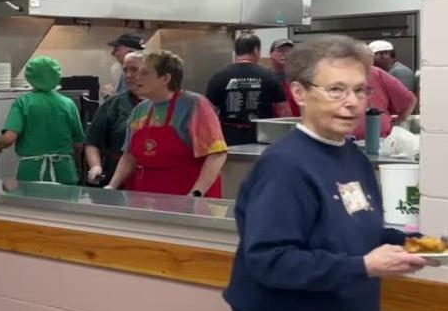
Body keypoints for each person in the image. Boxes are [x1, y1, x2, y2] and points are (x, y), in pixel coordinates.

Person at [225, 35, 429, 311]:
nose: (351, 102)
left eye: (359, 90)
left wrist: (407, 244)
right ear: (298, 92)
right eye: (335, 89)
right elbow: (270, 259)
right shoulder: (284, 166)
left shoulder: (350, 154)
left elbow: (358, 230)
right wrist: (363, 267)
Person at [107, 50, 227, 197]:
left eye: (145, 73)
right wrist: (112, 186)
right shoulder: (140, 110)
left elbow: (216, 154)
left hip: (189, 199)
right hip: (149, 198)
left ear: (165, 78)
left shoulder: (194, 105)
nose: (137, 77)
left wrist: (196, 194)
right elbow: (129, 156)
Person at [0, 56, 85, 185]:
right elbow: (78, 144)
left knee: (32, 204)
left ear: (30, 77)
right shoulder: (68, 104)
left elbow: (9, 137)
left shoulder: (24, 102)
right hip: (64, 171)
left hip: (33, 171)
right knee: (64, 204)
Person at [205, 34, 292, 145]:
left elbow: (207, 113)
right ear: (256, 50)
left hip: (228, 140)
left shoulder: (219, 77)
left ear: (236, 51)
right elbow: (284, 112)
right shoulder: (269, 76)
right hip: (263, 138)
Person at [84, 51, 143, 185]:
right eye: (125, 70)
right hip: (116, 177)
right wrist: (96, 167)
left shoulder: (166, 105)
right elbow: (92, 141)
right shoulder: (114, 104)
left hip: (154, 179)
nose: (128, 75)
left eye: (134, 70)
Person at [352, 65, 417, 142]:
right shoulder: (374, 72)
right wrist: (399, 120)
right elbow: (409, 100)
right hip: (379, 140)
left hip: (345, 141)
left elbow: (409, 100)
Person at [268, 38, 299, 116]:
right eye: (280, 50)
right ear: (271, 54)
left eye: (289, 51)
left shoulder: (298, 77)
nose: (285, 54)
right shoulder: (265, 76)